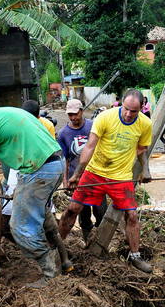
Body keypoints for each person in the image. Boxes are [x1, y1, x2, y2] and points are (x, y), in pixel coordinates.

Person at [0, 95, 68, 286]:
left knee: (20, 227)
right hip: (56, 164)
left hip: (38, 170)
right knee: (40, 212)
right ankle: (63, 260)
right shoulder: (12, 111)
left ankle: (50, 274)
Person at [57, 89, 154, 273]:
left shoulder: (145, 124)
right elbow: (89, 146)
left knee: (132, 216)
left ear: (141, 108)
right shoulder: (105, 118)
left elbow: (142, 149)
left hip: (121, 177)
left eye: (133, 111)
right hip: (95, 172)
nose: (128, 114)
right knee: (72, 209)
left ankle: (135, 256)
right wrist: (77, 173)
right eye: (126, 109)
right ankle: (56, 249)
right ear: (120, 104)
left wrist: (145, 170)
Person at [56, 98, 108, 242]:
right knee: (82, 212)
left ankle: (101, 240)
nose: (73, 118)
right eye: (70, 115)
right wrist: (65, 180)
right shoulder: (63, 133)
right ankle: (87, 239)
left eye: (75, 114)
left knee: (100, 210)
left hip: (97, 176)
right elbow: (65, 159)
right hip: (77, 179)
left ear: (81, 111)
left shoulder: (93, 127)